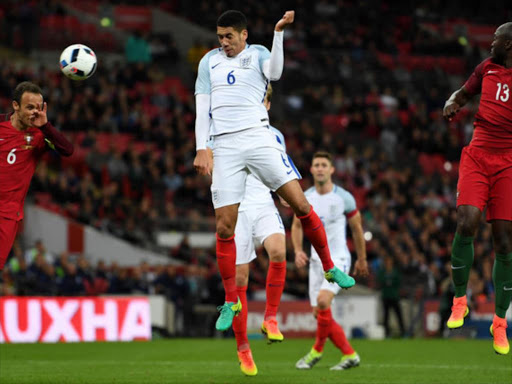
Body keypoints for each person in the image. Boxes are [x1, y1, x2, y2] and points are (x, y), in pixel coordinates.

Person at [193, 9, 354, 333]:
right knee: (224, 227)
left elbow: (276, 73)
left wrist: (279, 32)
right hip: (224, 146)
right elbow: (202, 107)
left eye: (229, 36)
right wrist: (201, 147)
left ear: (244, 35)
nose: (223, 42)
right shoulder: (208, 61)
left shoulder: (258, 54)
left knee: (301, 205)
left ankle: (330, 268)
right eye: (219, 36)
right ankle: (230, 300)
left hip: (258, 138)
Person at [208, 84, 290, 376]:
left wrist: (286, 193)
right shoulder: (222, 130)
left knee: (280, 251)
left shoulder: (274, 134)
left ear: (266, 106)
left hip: (263, 204)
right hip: (237, 209)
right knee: (240, 277)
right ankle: (243, 349)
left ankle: (270, 319)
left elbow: (282, 166)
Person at [443, 22, 512, 355]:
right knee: (466, 221)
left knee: (504, 239)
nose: (490, 45)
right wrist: (453, 101)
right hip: (478, 155)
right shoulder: (486, 68)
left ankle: (499, 323)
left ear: (509, 45)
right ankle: (459, 301)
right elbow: (463, 92)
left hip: (509, 162)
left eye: (496, 40)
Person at [292, 151, 368, 371]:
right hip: (316, 262)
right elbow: (297, 226)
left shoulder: (344, 197)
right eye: (316, 165)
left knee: (323, 302)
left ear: (332, 169)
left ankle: (315, 352)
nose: (320, 168)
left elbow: (357, 229)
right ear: (311, 169)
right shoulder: (304, 197)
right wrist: (297, 250)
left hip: (338, 259)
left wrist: (361, 258)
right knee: (319, 312)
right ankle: (350, 355)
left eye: (324, 165)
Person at [0, 81, 74, 270]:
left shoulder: (40, 136)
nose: (34, 112)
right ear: (15, 106)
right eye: (29, 107)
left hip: (7, 214)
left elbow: (67, 150)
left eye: (38, 108)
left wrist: (46, 126)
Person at [377, 255, 406, 338]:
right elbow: (381, 280)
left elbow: (397, 281)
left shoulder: (395, 271)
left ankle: (403, 332)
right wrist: (389, 282)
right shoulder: (383, 271)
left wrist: (388, 282)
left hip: (394, 296)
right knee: (386, 316)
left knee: (399, 314)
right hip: (386, 296)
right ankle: (386, 333)